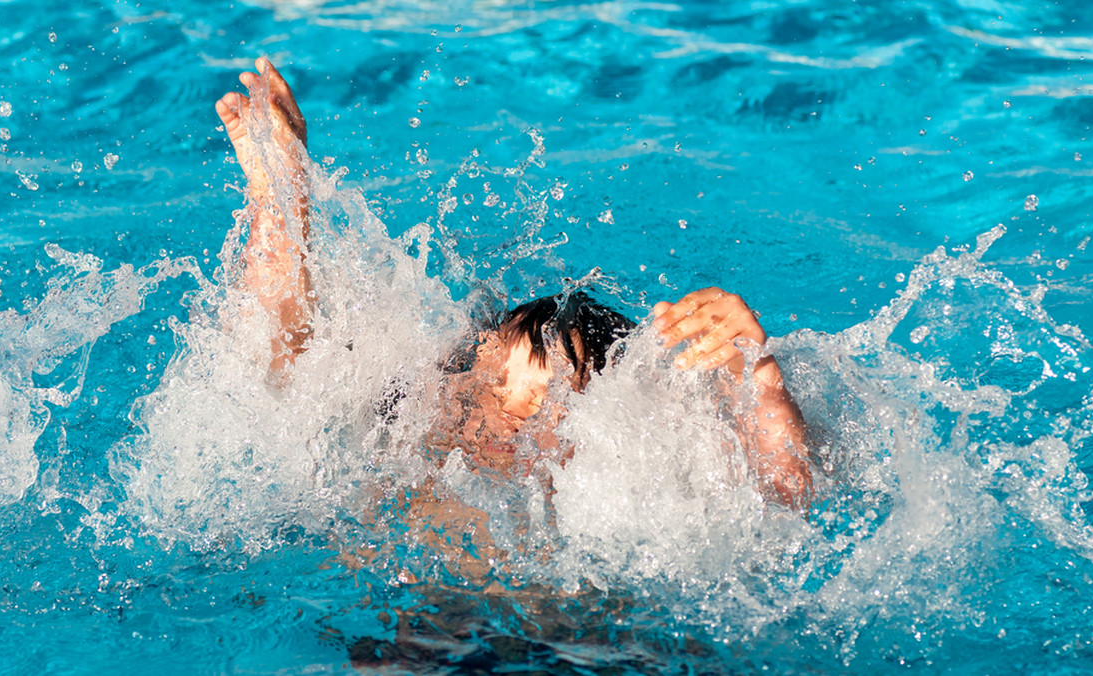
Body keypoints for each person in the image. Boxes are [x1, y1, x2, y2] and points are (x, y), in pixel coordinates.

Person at [215, 58, 813, 514]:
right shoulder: (412, 414)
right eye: (493, 390)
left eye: (534, 413)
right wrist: (282, 201)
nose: (496, 425)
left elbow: (782, 502)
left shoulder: (616, 498)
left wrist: (760, 385)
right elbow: (277, 365)